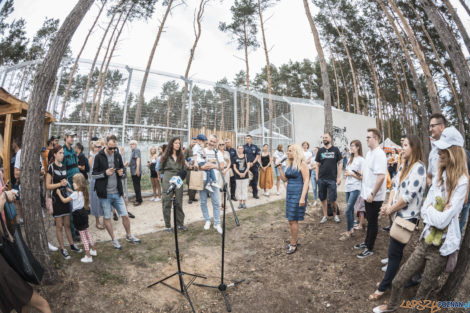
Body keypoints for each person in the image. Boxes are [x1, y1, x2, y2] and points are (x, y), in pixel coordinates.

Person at [373, 127, 469, 313]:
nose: (439, 153)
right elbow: (425, 211)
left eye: (443, 149)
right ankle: (391, 307)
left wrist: (433, 211)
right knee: (400, 279)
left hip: (441, 248)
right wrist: (434, 210)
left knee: (423, 291)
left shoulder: (462, 181)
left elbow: (441, 222)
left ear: (454, 152)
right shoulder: (439, 176)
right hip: (425, 242)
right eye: (439, 149)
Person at [369, 134, 426, 300]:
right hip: (396, 214)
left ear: (414, 147)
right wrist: (389, 205)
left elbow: (407, 198)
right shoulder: (404, 164)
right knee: (395, 251)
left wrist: (390, 209)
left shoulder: (419, 168)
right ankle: (389, 280)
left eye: (406, 145)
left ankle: (383, 287)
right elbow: (394, 185)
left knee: (394, 253)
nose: (403, 148)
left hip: (406, 218)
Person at [1, 190, 52, 313]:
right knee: (42, 304)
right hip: (4, 273)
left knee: (23, 308)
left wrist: (7, 233)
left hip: (7, 262)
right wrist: (3, 197)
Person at [92, 134, 141, 250]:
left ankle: (129, 236)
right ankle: (114, 240)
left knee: (125, 215)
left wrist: (121, 173)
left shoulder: (117, 154)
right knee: (107, 218)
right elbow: (93, 175)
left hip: (117, 193)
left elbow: (122, 170)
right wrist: (105, 173)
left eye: (115, 148)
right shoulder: (98, 156)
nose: (113, 150)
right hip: (105, 194)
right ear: (106, 144)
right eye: (110, 148)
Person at [354, 128, 387, 259]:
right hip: (367, 194)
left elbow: (381, 177)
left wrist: (372, 194)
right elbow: (370, 174)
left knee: (373, 222)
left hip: (374, 196)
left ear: (376, 139)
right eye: (366, 137)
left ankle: (370, 248)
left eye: (369, 137)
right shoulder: (369, 153)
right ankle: (366, 242)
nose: (366, 139)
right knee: (369, 219)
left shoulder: (380, 154)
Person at [46, 145, 82, 259]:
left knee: (67, 224)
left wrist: (69, 190)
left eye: (63, 153)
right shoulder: (51, 167)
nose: (62, 155)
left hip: (65, 198)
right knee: (59, 226)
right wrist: (59, 185)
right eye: (60, 153)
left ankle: (72, 245)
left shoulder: (64, 167)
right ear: (55, 154)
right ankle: (62, 248)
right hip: (57, 200)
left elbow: (65, 183)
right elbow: (48, 185)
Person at [56, 173, 97, 263]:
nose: (73, 183)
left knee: (83, 237)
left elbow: (64, 200)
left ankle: (88, 256)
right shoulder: (83, 192)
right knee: (87, 233)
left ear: (79, 184)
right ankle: (93, 250)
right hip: (84, 214)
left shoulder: (75, 194)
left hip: (78, 216)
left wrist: (59, 193)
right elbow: (75, 194)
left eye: (74, 182)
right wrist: (70, 191)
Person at [278, 144, 309, 254]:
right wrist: (280, 169)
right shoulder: (290, 164)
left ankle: (293, 244)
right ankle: (294, 240)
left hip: (298, 194)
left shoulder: (302, 164)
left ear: (296, 152)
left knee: (293, 219)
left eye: (290, 151)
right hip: (290, 195)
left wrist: (302, 198)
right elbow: (285, 179)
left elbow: (306, 181)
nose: (287, 153)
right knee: (290, 220)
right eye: (287, 151)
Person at [159, 137, 187, 232]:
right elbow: (160, 169)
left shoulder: (181, 156)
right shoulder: (165, 156)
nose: (178, 145)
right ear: (171, 144)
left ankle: (180, 224)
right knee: (166, 201)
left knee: (179, 201)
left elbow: (184, 169)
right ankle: (167, 225)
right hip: (168, 179)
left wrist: (180, 177)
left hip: (178, 179)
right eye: (176, 143)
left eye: (179, 143)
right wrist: (164, 179)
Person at [199, 135, 224, 234]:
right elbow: (197, 165)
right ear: (207, 141)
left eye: (214, 142)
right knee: (203, 202)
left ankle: (217, 223)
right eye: (211, 141)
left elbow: (222, 166)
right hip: (202, 180)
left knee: (216, 203)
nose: (212, 143)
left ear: (216, 143)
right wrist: (203, 167)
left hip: (214, 182)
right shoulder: (201, 150)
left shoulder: (217, 153)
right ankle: (207, 220)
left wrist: (212, 165)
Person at [316, 133, 343, 224]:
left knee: (332, 199)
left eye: (326, 137)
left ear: (330, 139)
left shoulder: (335, 150)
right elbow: (317, 165)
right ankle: (325, 215)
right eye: (323, 138)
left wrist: (339, 177)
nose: (324, 139)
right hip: (322, 178)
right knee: (323, 198)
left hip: (332, 179)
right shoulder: (321, 151)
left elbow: (340, 164)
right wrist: (317, 177)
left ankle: (335, 215)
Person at [340, 140, 364, 241]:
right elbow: (347, 171)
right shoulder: (350, 158)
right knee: (349, 210)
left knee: (348, 209)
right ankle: (351, 230)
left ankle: (348, 231)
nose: (351, 148)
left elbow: (362, 177)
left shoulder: (362, 160)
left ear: (358, 147)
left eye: (353, 146)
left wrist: (352, 174)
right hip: (348, 187)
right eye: (350, 146)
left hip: (356, 187)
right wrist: (347, 173)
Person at [89, 139, 105, 230]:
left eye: (100, 146)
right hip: (95, 181)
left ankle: (105, 219)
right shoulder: (92, 158)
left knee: (104, 200)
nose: (100, 148)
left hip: (103, 180)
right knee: (96, 201)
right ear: (93, 148)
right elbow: (93, 171)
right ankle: (97, 221)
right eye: (97, 147)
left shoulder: (102, 156)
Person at [233, 145, 251, 209]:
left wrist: (244, 172)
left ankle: (244, 203)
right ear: (237, 149)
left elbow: (248, 166)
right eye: (239, 148)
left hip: (245, 176)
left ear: (243, 149)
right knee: (239, 189)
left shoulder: (246, 157)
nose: (240, 149)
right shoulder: (235, 158)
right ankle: (240, 203)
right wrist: (239, 173)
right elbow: (234, 167)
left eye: (241, 148)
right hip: (238, 176)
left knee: (244, 189)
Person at [126, 140, 142, 206]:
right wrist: (128, 164)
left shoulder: (136, 150)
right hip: (133, 171)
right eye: (130, 144)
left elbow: (138, 160)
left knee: (137, 186)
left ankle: (139, 200)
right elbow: (133, 162)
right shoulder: (133, 151)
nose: (131, 145)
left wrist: (137, 170)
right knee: (136, 186)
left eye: (132, 144)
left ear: (135, 145)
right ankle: (138, 199)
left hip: (136, 172)